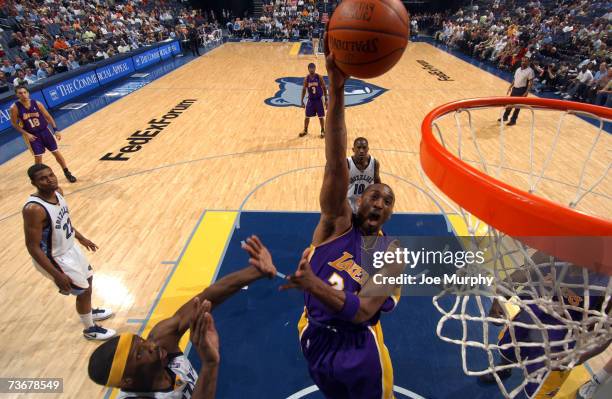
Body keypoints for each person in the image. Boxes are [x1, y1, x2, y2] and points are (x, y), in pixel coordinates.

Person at [277, 33, 403, 399]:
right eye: (375, 196)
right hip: (313, 332)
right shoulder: (335, 223)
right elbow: (335, 163)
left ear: (389, 215)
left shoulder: (392, 254)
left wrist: (313, 284)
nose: (380, 202)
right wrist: (337, 87)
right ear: (359, 201)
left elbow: (363, 312)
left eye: (388, 202)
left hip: (360, 349)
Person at [88, 236, 277, 398]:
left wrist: (254, 272)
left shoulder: (161, 340)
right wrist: (210, 364)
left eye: (141, 341)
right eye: (140, 354)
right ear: (127, 381)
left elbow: (207, 297)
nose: (151, 345)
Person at [480, 252, 611, 398]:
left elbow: (605, 335)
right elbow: (521, 274)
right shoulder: (553, 252)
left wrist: (578, 356)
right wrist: (499, 299)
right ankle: (504, 369)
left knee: (539, 390)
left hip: (561, 342)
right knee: (508, 350)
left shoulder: (606, 286)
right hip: (529, 319)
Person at [23, 164, 115, 340]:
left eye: (51, 175)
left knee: (88, 279)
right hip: (55, 257)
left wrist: (81, 238)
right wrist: (56, 274)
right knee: (83, 291)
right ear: (33, 182)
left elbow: (63, 220)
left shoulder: (59, 192)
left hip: (70, 247)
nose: (49, 179)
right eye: (43, 178)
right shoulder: (34, 209)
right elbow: (32, 246)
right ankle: (90, 329)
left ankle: (88, 310)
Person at [10, 85, 77, 182]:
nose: (23, 95)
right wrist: (26, 134)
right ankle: (38, 178)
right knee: (38, 158)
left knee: (56, 152)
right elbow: (14, 124)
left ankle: (67, 172)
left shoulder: (37, 103)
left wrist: (56, 130)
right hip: (32, 135)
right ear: (17, 95)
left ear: (28, 93)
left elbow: (48, 117)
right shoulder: (14, 107)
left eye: (25, 92)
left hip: (45, 131)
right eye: (20, 93)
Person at [347, 137, 381, 214]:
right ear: (353, 149)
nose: (361, 151)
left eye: (364, 148)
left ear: (368, 149)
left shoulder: (374, 163)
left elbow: (377, 183)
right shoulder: (347, 163)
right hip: (349, 203)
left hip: (367, 203)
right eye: (358, 148)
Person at [498, 57, 534, 126]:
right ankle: (505, 117)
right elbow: (515, 79)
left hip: (522, 90)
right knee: (510, 104)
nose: (523, 62)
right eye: (522, 61)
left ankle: (513, 120)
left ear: (528, 62)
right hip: (515, 89)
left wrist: (526, 92)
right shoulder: (518, 69)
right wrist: (510, 87)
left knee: (517, 106)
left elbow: (531, 83)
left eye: (525, 61)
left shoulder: (530, 71)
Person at [299, 62, 327, 138]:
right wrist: (302, 101)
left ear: (315, 68)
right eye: (310, 68)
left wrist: (326, 99)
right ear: (308, 69)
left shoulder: (319, 77)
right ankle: (305, 130)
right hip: (311, 100)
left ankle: (323, 130)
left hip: (318, 100)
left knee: (321, 116)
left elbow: (324, 88)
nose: (312, 69)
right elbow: (304, 89)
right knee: (307, 116)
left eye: (313, 68)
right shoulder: (306, 78)